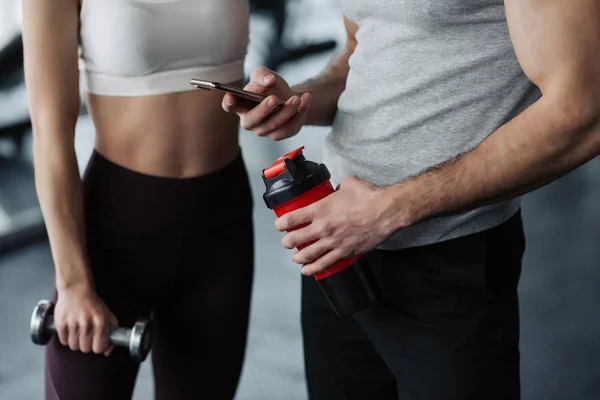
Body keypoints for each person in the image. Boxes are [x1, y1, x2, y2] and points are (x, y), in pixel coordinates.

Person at [224, 1, 600, 399]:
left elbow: (583, 112)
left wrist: (389, 209)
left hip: (450, 256)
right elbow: (363, 50)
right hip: (335, 241)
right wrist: (298, 102)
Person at [22, 0, 278, 399]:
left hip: (219, 225)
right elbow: (49, 136)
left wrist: (273, 101)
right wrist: (72, 283)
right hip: (115, 230)